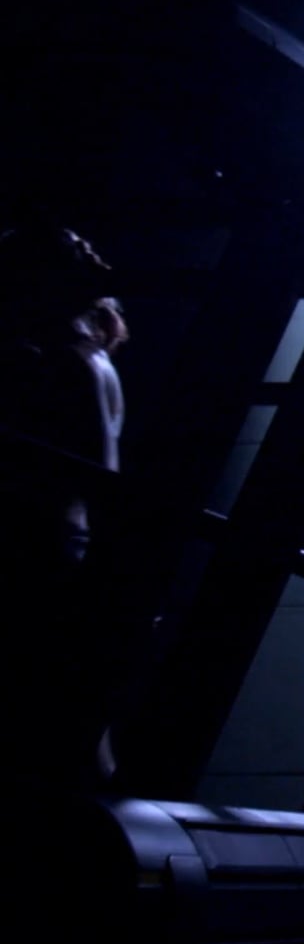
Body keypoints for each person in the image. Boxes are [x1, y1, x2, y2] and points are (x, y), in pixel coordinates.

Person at [0, 226, 128, 795]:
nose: (93, 253)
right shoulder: (84, 357)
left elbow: (96, 475)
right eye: (78, 249)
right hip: (58, 548)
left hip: (43, 551)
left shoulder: (68, 361)